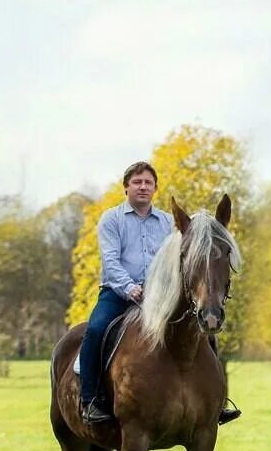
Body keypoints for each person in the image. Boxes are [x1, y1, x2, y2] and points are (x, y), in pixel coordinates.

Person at [78, 161, 242, 427]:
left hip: (159, 298)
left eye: (148, 183)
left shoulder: (169, 223)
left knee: (204, 335)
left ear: (154, 188)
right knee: (95, 330)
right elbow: (110, 261)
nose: (143, 187)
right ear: (126, 187)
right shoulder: (112, 219)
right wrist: (130, 287)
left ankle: (216, 402)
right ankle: (90, 400)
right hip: (117, 293)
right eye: (137, 182)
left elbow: (181, 263)